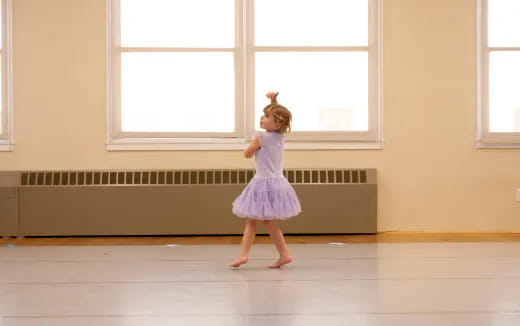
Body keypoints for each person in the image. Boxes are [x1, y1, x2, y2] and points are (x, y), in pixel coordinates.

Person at [230, 91, 302, 269]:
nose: (262, 118)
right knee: (261, 221)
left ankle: (261, 254)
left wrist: (252, 146)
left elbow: (247, 154)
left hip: (262, 184)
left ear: (277, 123)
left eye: (266, 117)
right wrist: (274, 101)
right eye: (263, 115)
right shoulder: (280, 136)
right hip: (278, 182)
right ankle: (276, 254)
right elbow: (280, 116)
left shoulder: (260, 137)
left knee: (259, 221)